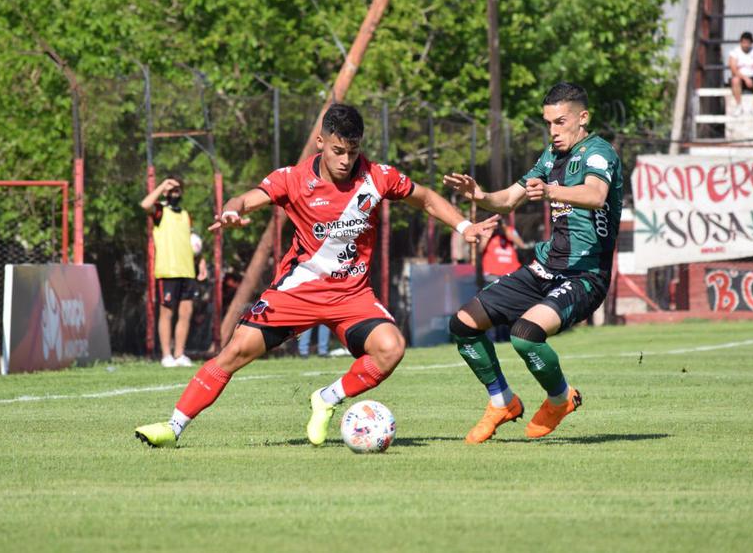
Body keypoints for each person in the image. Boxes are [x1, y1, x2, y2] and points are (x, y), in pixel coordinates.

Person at [135, 103, 497, 448]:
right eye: (338, 150)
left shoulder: (378, 177)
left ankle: (327, 398)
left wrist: (464, 225)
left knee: (391, 349)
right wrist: (231, 212)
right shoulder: (292, 179)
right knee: (235, 352)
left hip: (351, 296)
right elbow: (245, 199)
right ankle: (173, 427)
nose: (346, 160)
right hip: (297, 292)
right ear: (321, 142)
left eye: (353, 152)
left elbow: (427, 198)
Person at [443, 82, 623, 444]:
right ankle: (502, 402)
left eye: (560, 122)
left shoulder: (599, 153)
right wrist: (478, 195)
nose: (553, 131)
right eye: (548, 123)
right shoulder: (549, 158)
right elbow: (509, 199)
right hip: (545, 267)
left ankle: (560, 399)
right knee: (463, 324)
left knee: (525, 336)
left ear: (582, 118)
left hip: (586, 276)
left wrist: (552, 191)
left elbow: (596, 194)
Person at [140, 176, 199, 368]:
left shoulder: (185, 214)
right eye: (171, 189)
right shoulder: (160, 211)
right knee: (166, 313)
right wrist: (163, 185)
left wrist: (202, 262)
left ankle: (179, 353)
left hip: (187, 270)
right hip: (168, 270)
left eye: (177, 189)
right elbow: (145, 204)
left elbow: (192, 241)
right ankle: (166, 355)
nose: (175, 192)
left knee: (186, 313)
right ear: (165, 191)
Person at [728, 32, 753, 110]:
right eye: (744, 42)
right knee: (735, 80)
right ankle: (738, 106)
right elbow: (733, 69)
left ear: (751, 43)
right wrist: (745, 79)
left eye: (747, 43)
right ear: (740, 42)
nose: (745, 45)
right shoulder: (734, 52)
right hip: (741, 78)